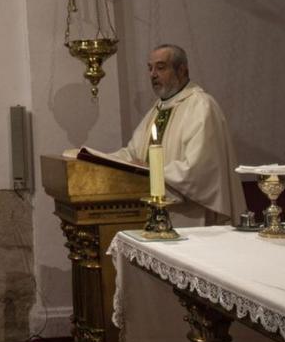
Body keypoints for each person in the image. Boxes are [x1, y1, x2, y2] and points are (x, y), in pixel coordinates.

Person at [101, 44, 245, 226]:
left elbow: (196, 171)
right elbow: (132, 154)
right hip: (153, 213)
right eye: (150, 68)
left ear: (182, 71)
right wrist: (96, 159)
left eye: (160, 67)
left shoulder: (200, 106)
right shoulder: (157, 109)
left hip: (188, 217)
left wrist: (150, 170)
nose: (153, 74)